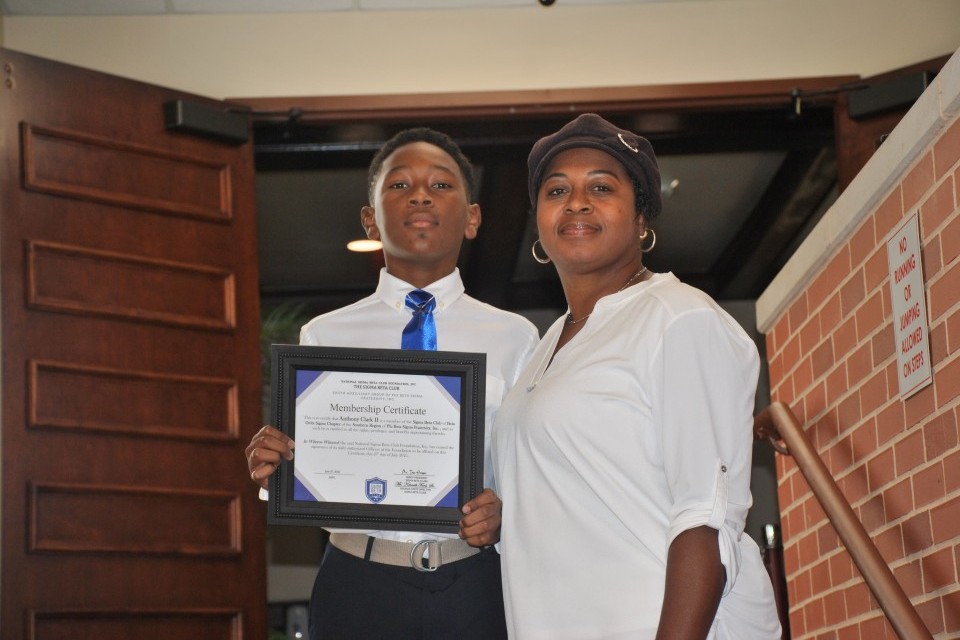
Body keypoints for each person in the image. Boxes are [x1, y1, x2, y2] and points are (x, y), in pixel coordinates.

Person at [491, 113, 782, 639]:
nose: (577, 202)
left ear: (641, 216)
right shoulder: (549, 343)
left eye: (601, 187)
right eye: (557, 190)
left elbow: (704, 520)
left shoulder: (679, 318)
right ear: (538, 221)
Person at [246, 127, 539, 640]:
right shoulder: (324, 334)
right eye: (399, 185)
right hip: (356, 584)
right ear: (370, 220)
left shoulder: (516, 337)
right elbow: (314, 464)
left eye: (441, 185)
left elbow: (532, 468)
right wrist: (278, 474)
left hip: (474, 582)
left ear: (473, 218)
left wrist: (507, 515)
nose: (421, 196)